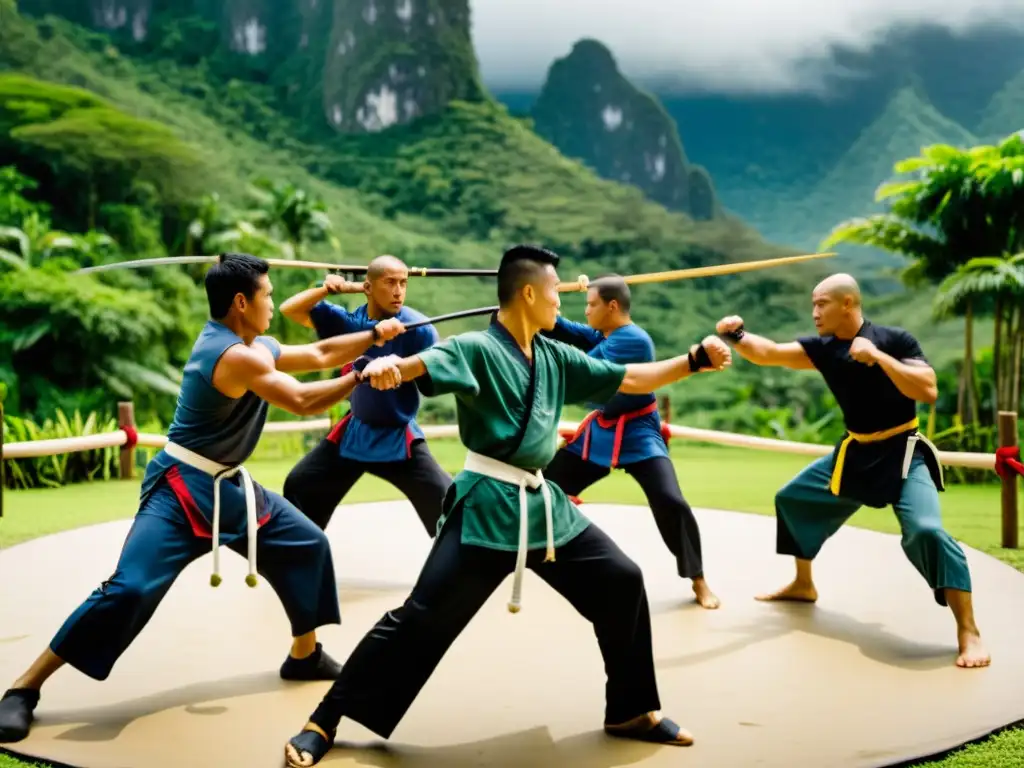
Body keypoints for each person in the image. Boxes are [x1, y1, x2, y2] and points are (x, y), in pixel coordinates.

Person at [282, 244, 733, 767]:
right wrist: (390, 369)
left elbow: (628, 380)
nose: (560, 303)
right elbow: (426, 362)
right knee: (420, 618)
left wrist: (693, 362)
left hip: (542, 505)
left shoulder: (555, 355)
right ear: (526, 293)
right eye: (553, 293)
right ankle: (325, 720)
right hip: (487, 506)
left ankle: (632, 709)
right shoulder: (475, 347)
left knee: (621, 579)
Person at [0, 253, 407, 744]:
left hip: (232, 487)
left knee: (307, 544)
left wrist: (375, 336)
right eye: (268, 296)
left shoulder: (251, 343)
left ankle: (304, 655)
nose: (274, 305)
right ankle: (23, 689)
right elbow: (301, 399)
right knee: (128, 589)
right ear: (242, 302)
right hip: (180, 489)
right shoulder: (232, 354)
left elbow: (320, 355)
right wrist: (363, 374)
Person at [715, 272, 990, 669]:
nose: (814, 312)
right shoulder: (823, 349)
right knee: (792, 499)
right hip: (855, 451)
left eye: (821, 303)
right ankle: (803, 583)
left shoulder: (894, 340)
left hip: (904, 453)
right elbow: (769, 352)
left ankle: (968, 630)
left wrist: (878, 358)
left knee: (927, 531)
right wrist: (737, 334)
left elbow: (927, 389)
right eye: (813, 304)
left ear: (848, 303)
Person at [542, 274, 719, 609]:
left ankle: (698, 580)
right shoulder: (605, 333)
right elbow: (564, 328)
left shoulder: (634, 340)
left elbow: (585, 366)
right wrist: (534, 307)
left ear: (612, 306)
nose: (587, 311)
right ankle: (528, 552)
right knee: (544, 485)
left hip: (640, 433)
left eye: (591, 305)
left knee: (670, 501)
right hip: (600, 432)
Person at [279, 255, 451, 536]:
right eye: (390, 282)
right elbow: (290, 309)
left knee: (448, 502)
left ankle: (457, 563)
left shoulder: (418, 328)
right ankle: (302, 553)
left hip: (399, 437)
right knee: (300, 485)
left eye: (403, 283)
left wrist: (399, 369)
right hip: (354, 433)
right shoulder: (348, 322)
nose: (398, 291)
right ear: (368, 288)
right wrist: (331, 289)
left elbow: (436, 373)